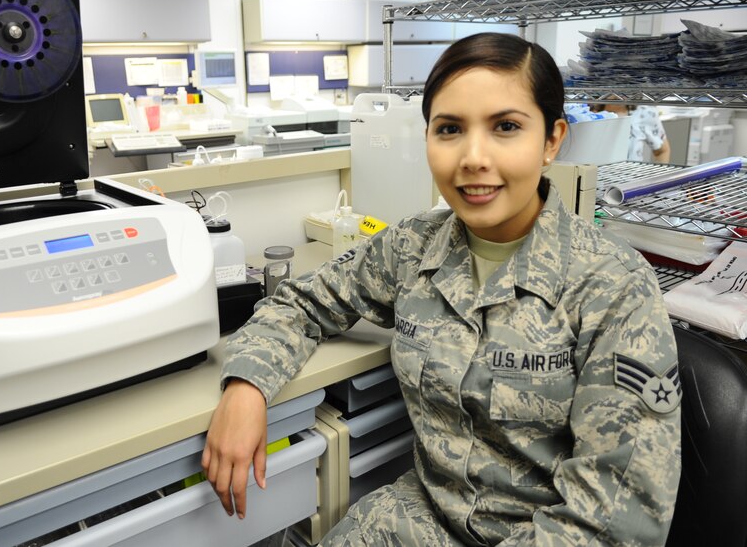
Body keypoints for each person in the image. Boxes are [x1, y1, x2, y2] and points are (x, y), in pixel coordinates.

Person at [203, 32, 681, 546]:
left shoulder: (612, 285)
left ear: (551, 140)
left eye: (506, 127)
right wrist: (246, 387)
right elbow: (301, 302)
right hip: (422, 519)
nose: (473, 158)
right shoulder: (412, 246)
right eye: (450, 128)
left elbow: (614, 522)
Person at [595, 103, 671, 163]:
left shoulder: (644, 113)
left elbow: (662, 151)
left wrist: (656, 179)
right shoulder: (587, 113)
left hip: (634, 181)